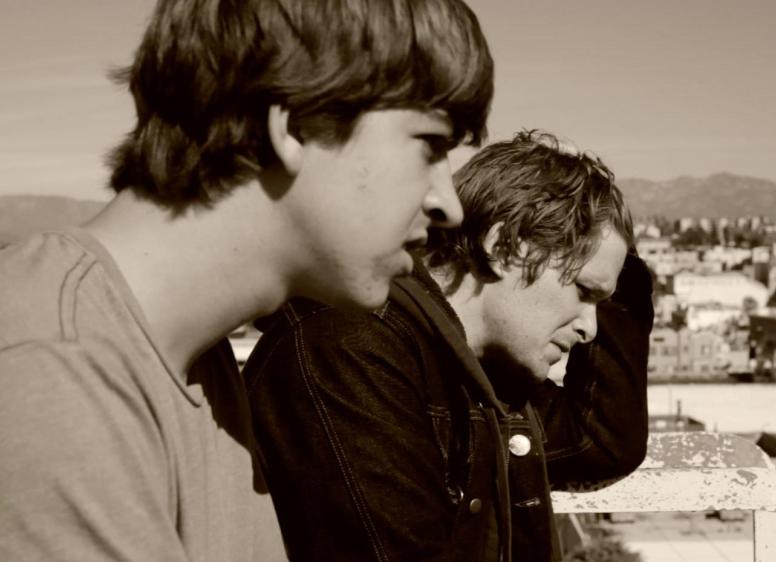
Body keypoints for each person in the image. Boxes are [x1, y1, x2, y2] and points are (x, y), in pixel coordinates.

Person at [0, 1, 493, 560]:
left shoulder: (192, 360)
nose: (448, 206)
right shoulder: (51, 371)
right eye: (431, 146)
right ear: (296, 125)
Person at [245, 130, 654, 561]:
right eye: (584, 291)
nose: (590, 329)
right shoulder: (351, 348)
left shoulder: (478, 372)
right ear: (505, 248)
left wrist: (611, 244)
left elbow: (600, 442)